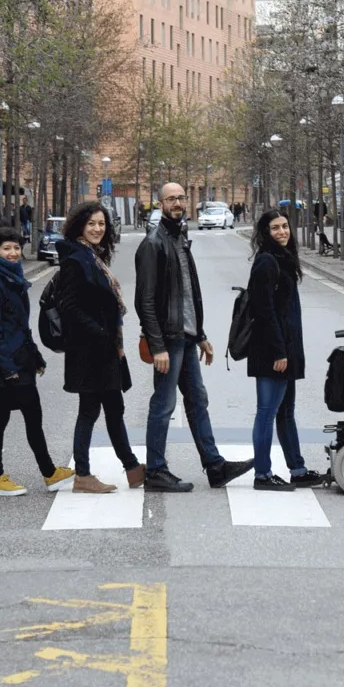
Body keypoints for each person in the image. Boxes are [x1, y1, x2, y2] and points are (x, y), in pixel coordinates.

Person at [135, 182, 253, 492]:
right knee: (163, 404)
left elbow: (187, 295)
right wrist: (157, 345)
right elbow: (144, 301)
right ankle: (156, 471)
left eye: (180, 198)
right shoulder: (153, 243)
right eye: (171, 199)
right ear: (160, 204)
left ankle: (215, 467)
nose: (177, 202)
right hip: (169, 340)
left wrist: (199, 334)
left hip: (186, 337)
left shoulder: (179, 238)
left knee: (198, 400)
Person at [0, 226, 74, 496]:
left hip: (20, 357)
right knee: (2, 418)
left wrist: (36, 356)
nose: (13, 253)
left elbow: (21, 325)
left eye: (16, 248)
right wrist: (7, 368)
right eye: (6, 248)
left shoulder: (13, 277)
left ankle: (48, 473)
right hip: (4, 362)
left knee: (29, 416)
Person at [56, 201, 142, 494]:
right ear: (80, 225)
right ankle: (82, 474)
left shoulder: (92, 257)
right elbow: (70, 308)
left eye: (101, 224)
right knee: (90, 410)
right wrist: (102, 334)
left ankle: (132, 468)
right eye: (91, 223)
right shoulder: (75, 259)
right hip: (89, 351)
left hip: (104, 349)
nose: (97, 229)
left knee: (113, 408)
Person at [245, 210, 324, 491]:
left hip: (286, 350)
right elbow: (263, 311)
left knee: (286, 412)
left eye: (285, 226)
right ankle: (262, 475)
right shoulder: (266, 261)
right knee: (266, 412)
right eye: (275, 228)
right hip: (272, 352)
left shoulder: (283, 259)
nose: (282, 232)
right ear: (265, 232)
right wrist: (279, 352)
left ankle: (298, 469)